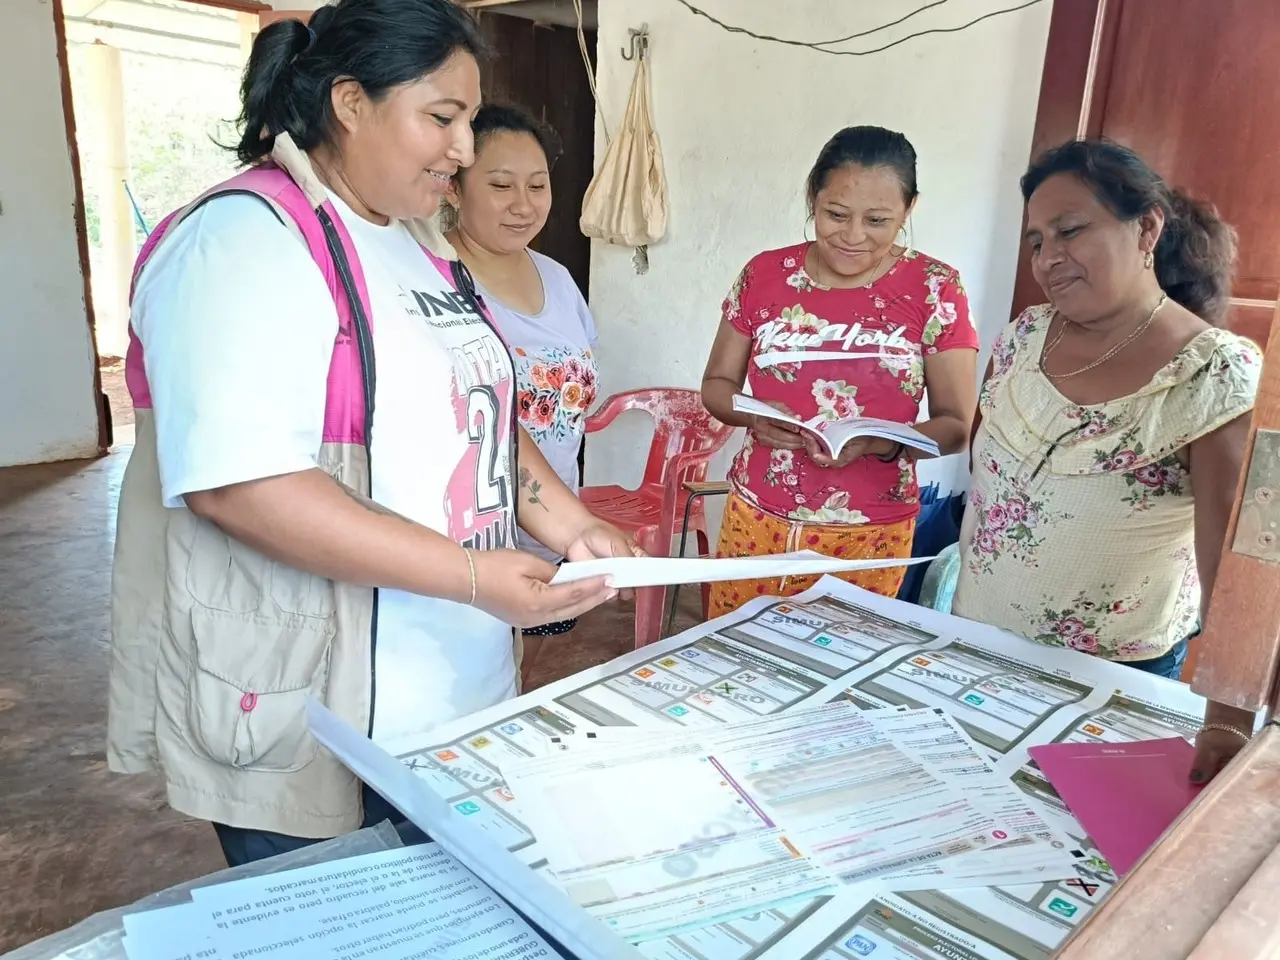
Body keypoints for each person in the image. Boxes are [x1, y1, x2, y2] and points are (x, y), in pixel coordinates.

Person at [105, 0, 637, 867]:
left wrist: (571, 525)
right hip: (315, 704)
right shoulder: (243, 240)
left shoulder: (420, 240)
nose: (464, 150)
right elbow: (240, 486)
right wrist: (470, 575)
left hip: (456, 682)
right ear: (351, 103)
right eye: (442, 118)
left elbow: (486, 410)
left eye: (468, 118)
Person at [950, 139, 1260, 784]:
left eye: (1070, 230)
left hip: (1109, 681)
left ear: (1146, 227)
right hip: (977, 643)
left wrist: (1229, 719)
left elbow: (1237, 571)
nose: (1048, 257)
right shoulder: (1023, 336)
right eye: (1036, 241)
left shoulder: (1211, 374)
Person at [700, 125, 979, 614]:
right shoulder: (764, 275)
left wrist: (880, 442)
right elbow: (716, 387)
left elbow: (956, 426)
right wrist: (753, 416)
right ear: (813, 197)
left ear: (909, 210)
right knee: (739, 660)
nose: (853, 237)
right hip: (758, 517)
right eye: (835, 214)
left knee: (840, 675)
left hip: (870, 532)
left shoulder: (934, 288)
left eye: (877, 220)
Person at [442, 103, 600, 679]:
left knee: (520, 677)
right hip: (465, 541)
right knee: (464, 677)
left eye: (538, 185)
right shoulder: (436, 278)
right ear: (454, 189)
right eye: (500, 184)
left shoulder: (556, 279)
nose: (523, 203)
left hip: (550, 529)